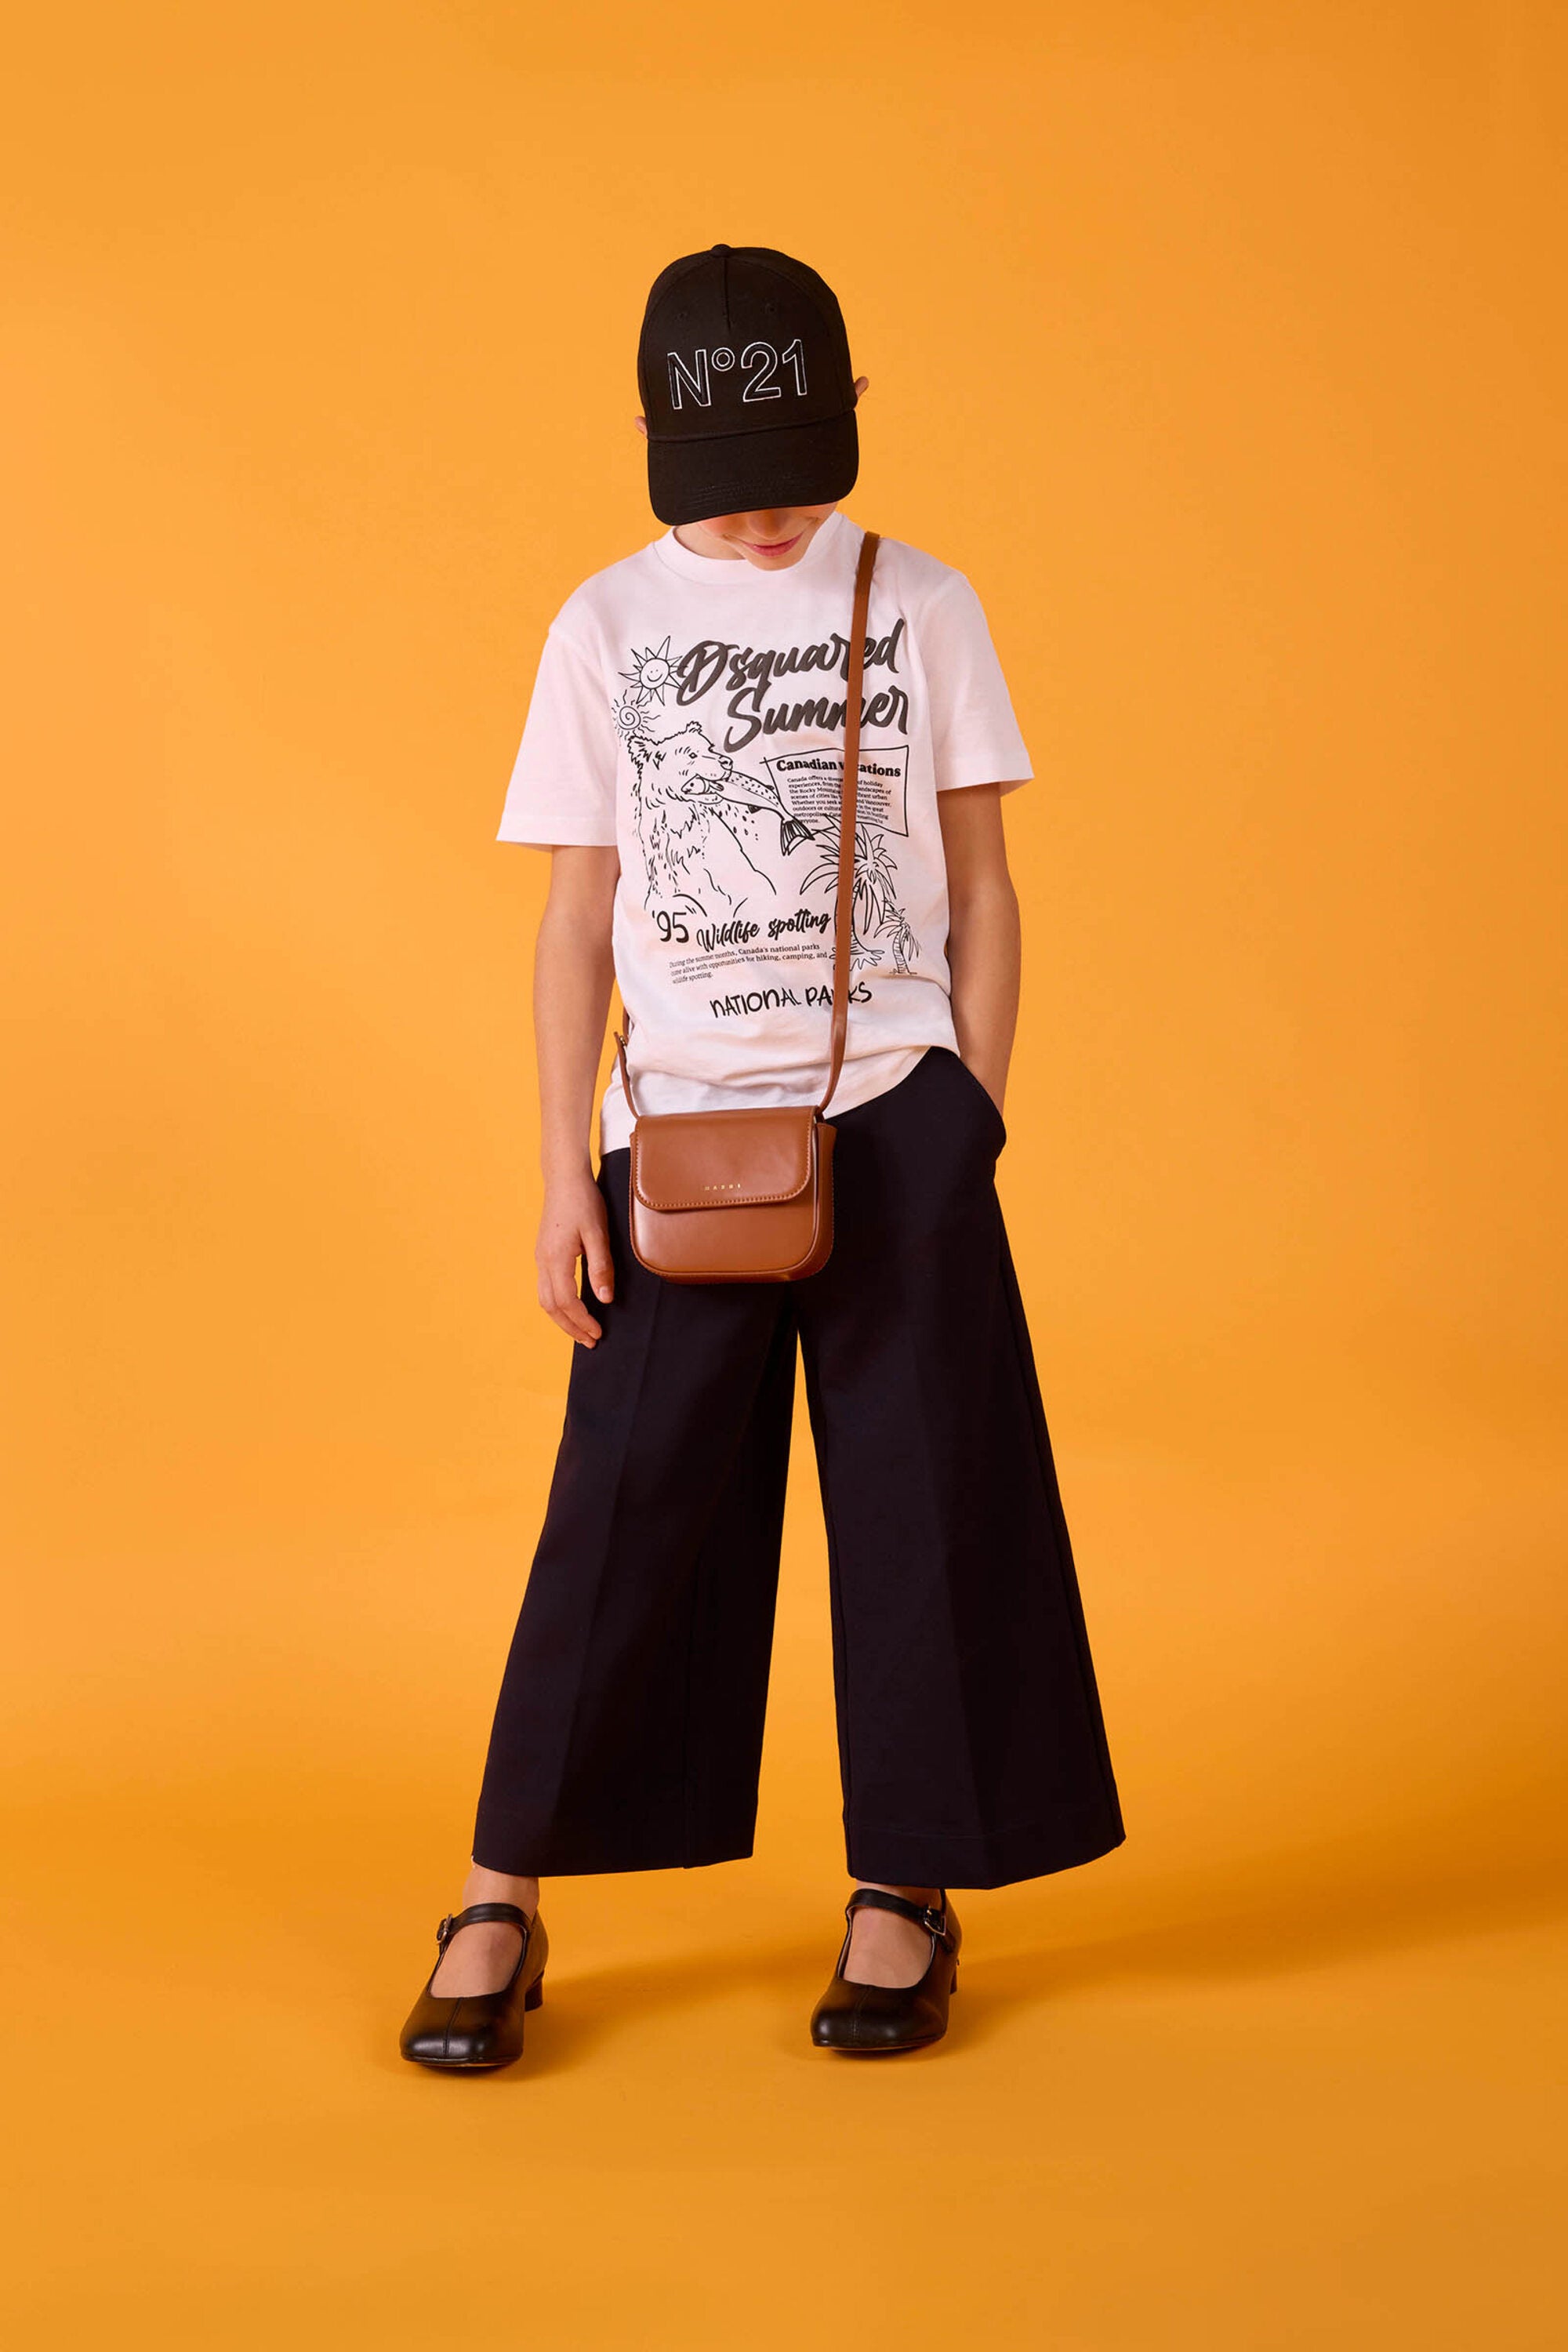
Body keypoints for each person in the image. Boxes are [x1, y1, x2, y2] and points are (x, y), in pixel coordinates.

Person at [400, 243, 1124, 2071]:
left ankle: (903, 1893)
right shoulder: (603, 625)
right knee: (621, 1517)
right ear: (654, 443)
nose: (761, 519)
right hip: (675, 1145)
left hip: (896, 1126)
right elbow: (576, 920)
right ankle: (498, 1894)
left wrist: (968, 1117)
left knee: (925, 1514)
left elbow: (984, 887)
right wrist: (560, 1172)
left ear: (854, 414)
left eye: (796, 474)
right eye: (725, 490)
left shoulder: (924, 601)